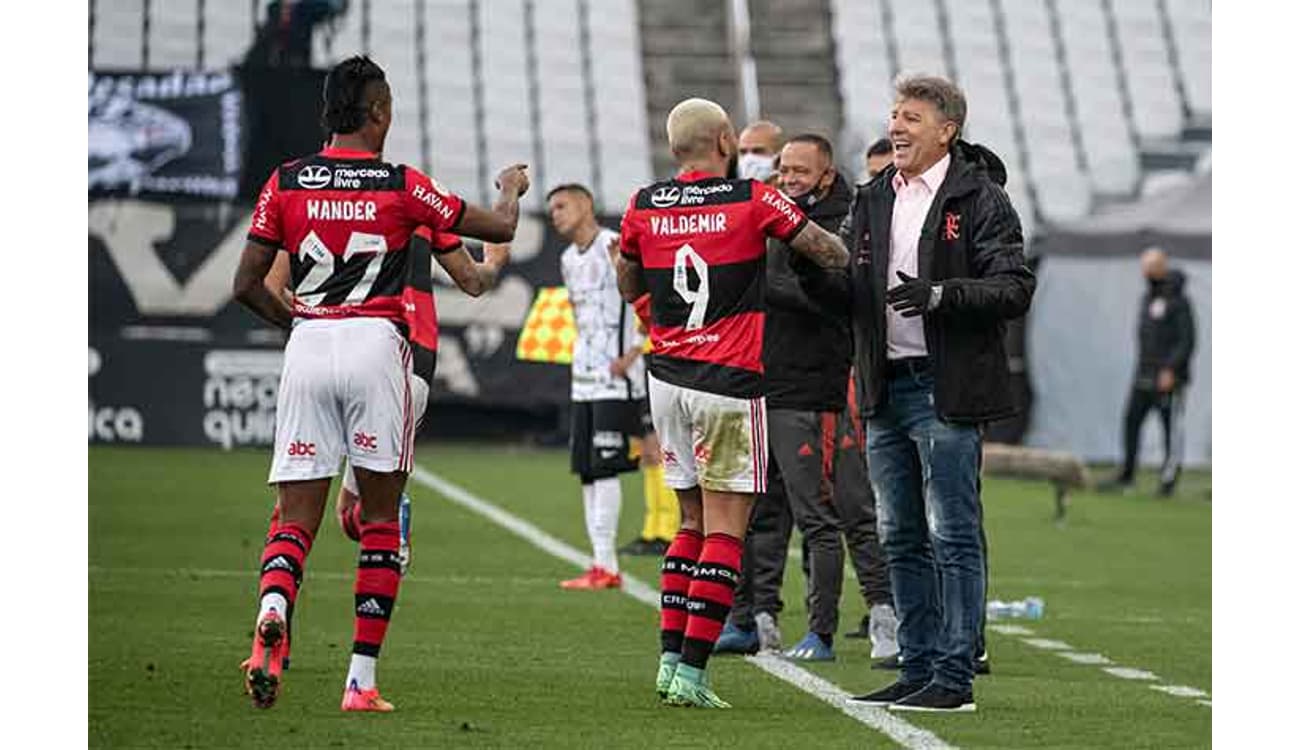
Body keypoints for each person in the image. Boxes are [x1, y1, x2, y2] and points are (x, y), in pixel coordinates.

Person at [230, 55, 528, 712]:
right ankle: (360, 681)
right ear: (380, 113)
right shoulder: (402, 186)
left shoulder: (286, 182)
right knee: (381, 520)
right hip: (377, 345)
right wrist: (510, 186)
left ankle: (274, 609)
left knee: (294, 520)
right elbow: (499, 231)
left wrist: (301, 323)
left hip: (309, 342)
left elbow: (246, 285)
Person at [612, 97, 849, 708]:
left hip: (666, 378)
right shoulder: (754, 199)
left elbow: (629, 283)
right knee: (726, 532)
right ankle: (692, 673)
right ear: (724, 141)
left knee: (687, 523)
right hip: (728, 380)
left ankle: (669, 661)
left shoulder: (642, 203)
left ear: (673, 148)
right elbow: (830, 251)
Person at [827, 74, 1035, 713]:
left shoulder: (980, 198)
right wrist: (811, 278)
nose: (896, 126)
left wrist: (940, 296)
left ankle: (955, 676)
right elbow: (851, 292)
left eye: (911, 117)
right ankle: (916, 668)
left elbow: (1015, 287)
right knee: (900, 536)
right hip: (885, 387)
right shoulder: (872, 196)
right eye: (894, 114)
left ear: (947, 129)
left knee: (953, 533)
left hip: (946, 390)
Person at [712, 134, 897, 664]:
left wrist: (762, 290)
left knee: (838, 512)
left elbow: (840, 301)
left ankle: (855, 622)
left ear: (827, 174)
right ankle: (759, 621)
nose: (787, 177)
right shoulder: (774, 214)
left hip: (820, 387)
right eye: (782, 168)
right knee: (765, 513)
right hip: (766, 382)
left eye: (798, 169)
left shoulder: (843, 219)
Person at [544, 183, 647, 589]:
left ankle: (609, 566)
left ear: (586, 204)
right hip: (583, 378)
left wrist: (635, 352)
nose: (555, 214)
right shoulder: (568, 259)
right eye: (551, 209)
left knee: (605, 468)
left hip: (615, 378)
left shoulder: (615, 246)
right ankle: (600, 564)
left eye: (562, 206)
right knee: (587, 470)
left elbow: (642, 298)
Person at [1102, 247, 1196, 496]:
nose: (1145, 272)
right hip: (1143, 373)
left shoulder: (1179, 301)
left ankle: (1168, 480)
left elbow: (1186, 341)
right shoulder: (1148, 297)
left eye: (1149, 267)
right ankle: (1127, 473)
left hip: (1168, 378)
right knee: (1131, 420)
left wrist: (1170, 370)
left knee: (1170, 429)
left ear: (1160, 267)